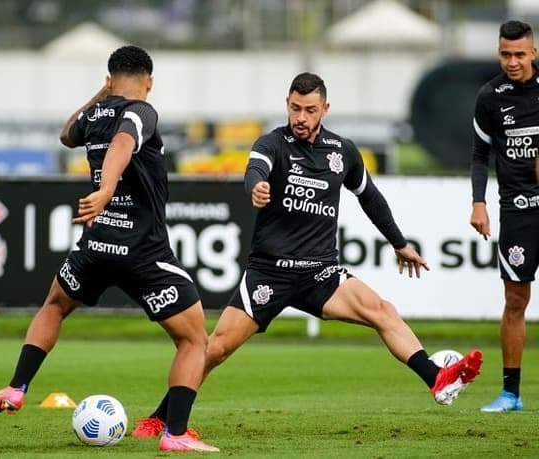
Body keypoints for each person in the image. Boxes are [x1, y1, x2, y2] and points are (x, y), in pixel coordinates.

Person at [131, 72, 483, 438]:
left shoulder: (342, 151)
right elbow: (255, 170)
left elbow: (370, 197)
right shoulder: (272, 144)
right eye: (295, 108)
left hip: (320, 274)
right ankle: (161, 418)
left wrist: (399, 243)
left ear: (325, 109)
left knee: (383, 310)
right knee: (215, 348)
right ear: (287, 104)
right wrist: (257, 187)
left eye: (310, 110)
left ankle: (437, 379)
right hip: (270, 273)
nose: (301, 117)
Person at [0, 45, 219, 452]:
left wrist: (100, 95)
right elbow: (124, 143)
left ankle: (18, 387)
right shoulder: (143, 111)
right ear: (150, 81)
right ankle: (175, 434)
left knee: (54, 305)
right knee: (195, 341)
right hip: (143, 252)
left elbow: (66, 133)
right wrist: (107, 189)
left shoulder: (94, 114)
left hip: (97, 245)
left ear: (109, 79)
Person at [470, 20, 539, 412]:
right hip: (517, 211)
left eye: (519, 53)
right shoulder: (489, 97)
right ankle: (511, 393)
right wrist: (478, 201)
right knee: (515, 300)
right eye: (505, 54)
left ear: (533, 52)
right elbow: (480, 155)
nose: (512, 61)